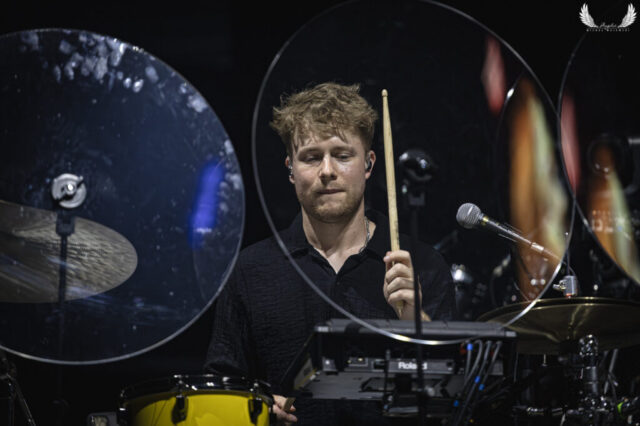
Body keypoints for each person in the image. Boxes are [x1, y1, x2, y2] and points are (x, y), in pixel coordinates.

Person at [205, 82, 455, 425]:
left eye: (342, 155)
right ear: (290, 169)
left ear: (368, 164)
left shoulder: (423, 266)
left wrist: (416, 322)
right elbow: (220, 391)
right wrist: (257, 407)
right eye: (311, 157)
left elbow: (450, 401)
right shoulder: (251, 270)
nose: (326, 171)